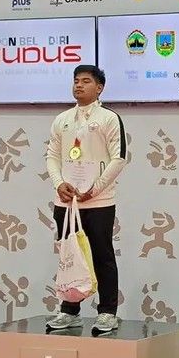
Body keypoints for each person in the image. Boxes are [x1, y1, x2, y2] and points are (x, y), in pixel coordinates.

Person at [45, 65, 127, 334]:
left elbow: (119, 158)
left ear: (99, 88)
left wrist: (95, 188)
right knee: (70, 254)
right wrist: (59, 184)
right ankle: (70, 311)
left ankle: (107, 312)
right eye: (76, 81)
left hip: (98, 202)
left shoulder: (109, 118)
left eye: (86, 81)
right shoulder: (62, 119)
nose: (79, 85)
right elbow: (52, 156)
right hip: (67, 202)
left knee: (101, 255)